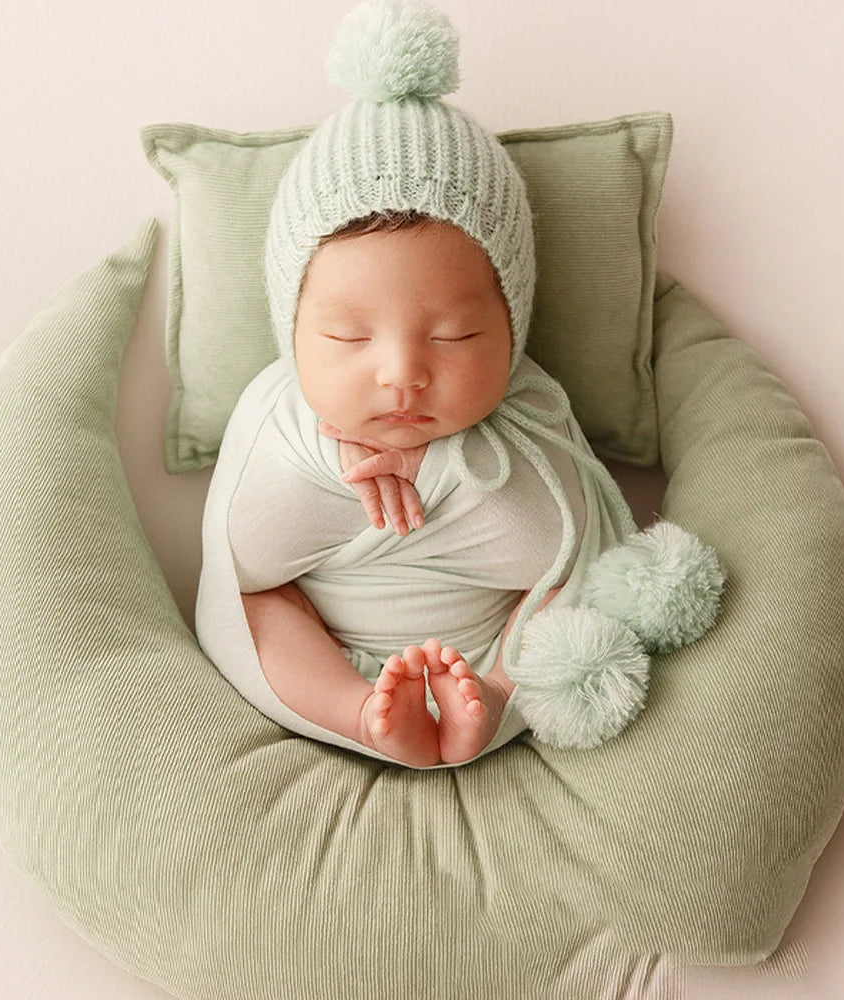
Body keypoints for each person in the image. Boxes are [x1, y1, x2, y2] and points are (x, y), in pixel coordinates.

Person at [195, 0, 646, 767]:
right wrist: (332, 469)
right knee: (254, 605)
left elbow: (562, 546)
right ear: (291, 331)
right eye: (349, 336)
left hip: (487, 655)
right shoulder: (277, 415)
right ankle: (360, 712)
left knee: (567, 601)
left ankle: (492, 704)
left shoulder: (533, 411)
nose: (403, 373)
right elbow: (241, 558)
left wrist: (435, 468)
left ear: (512, 327)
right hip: (324, 655)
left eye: (455, 335)